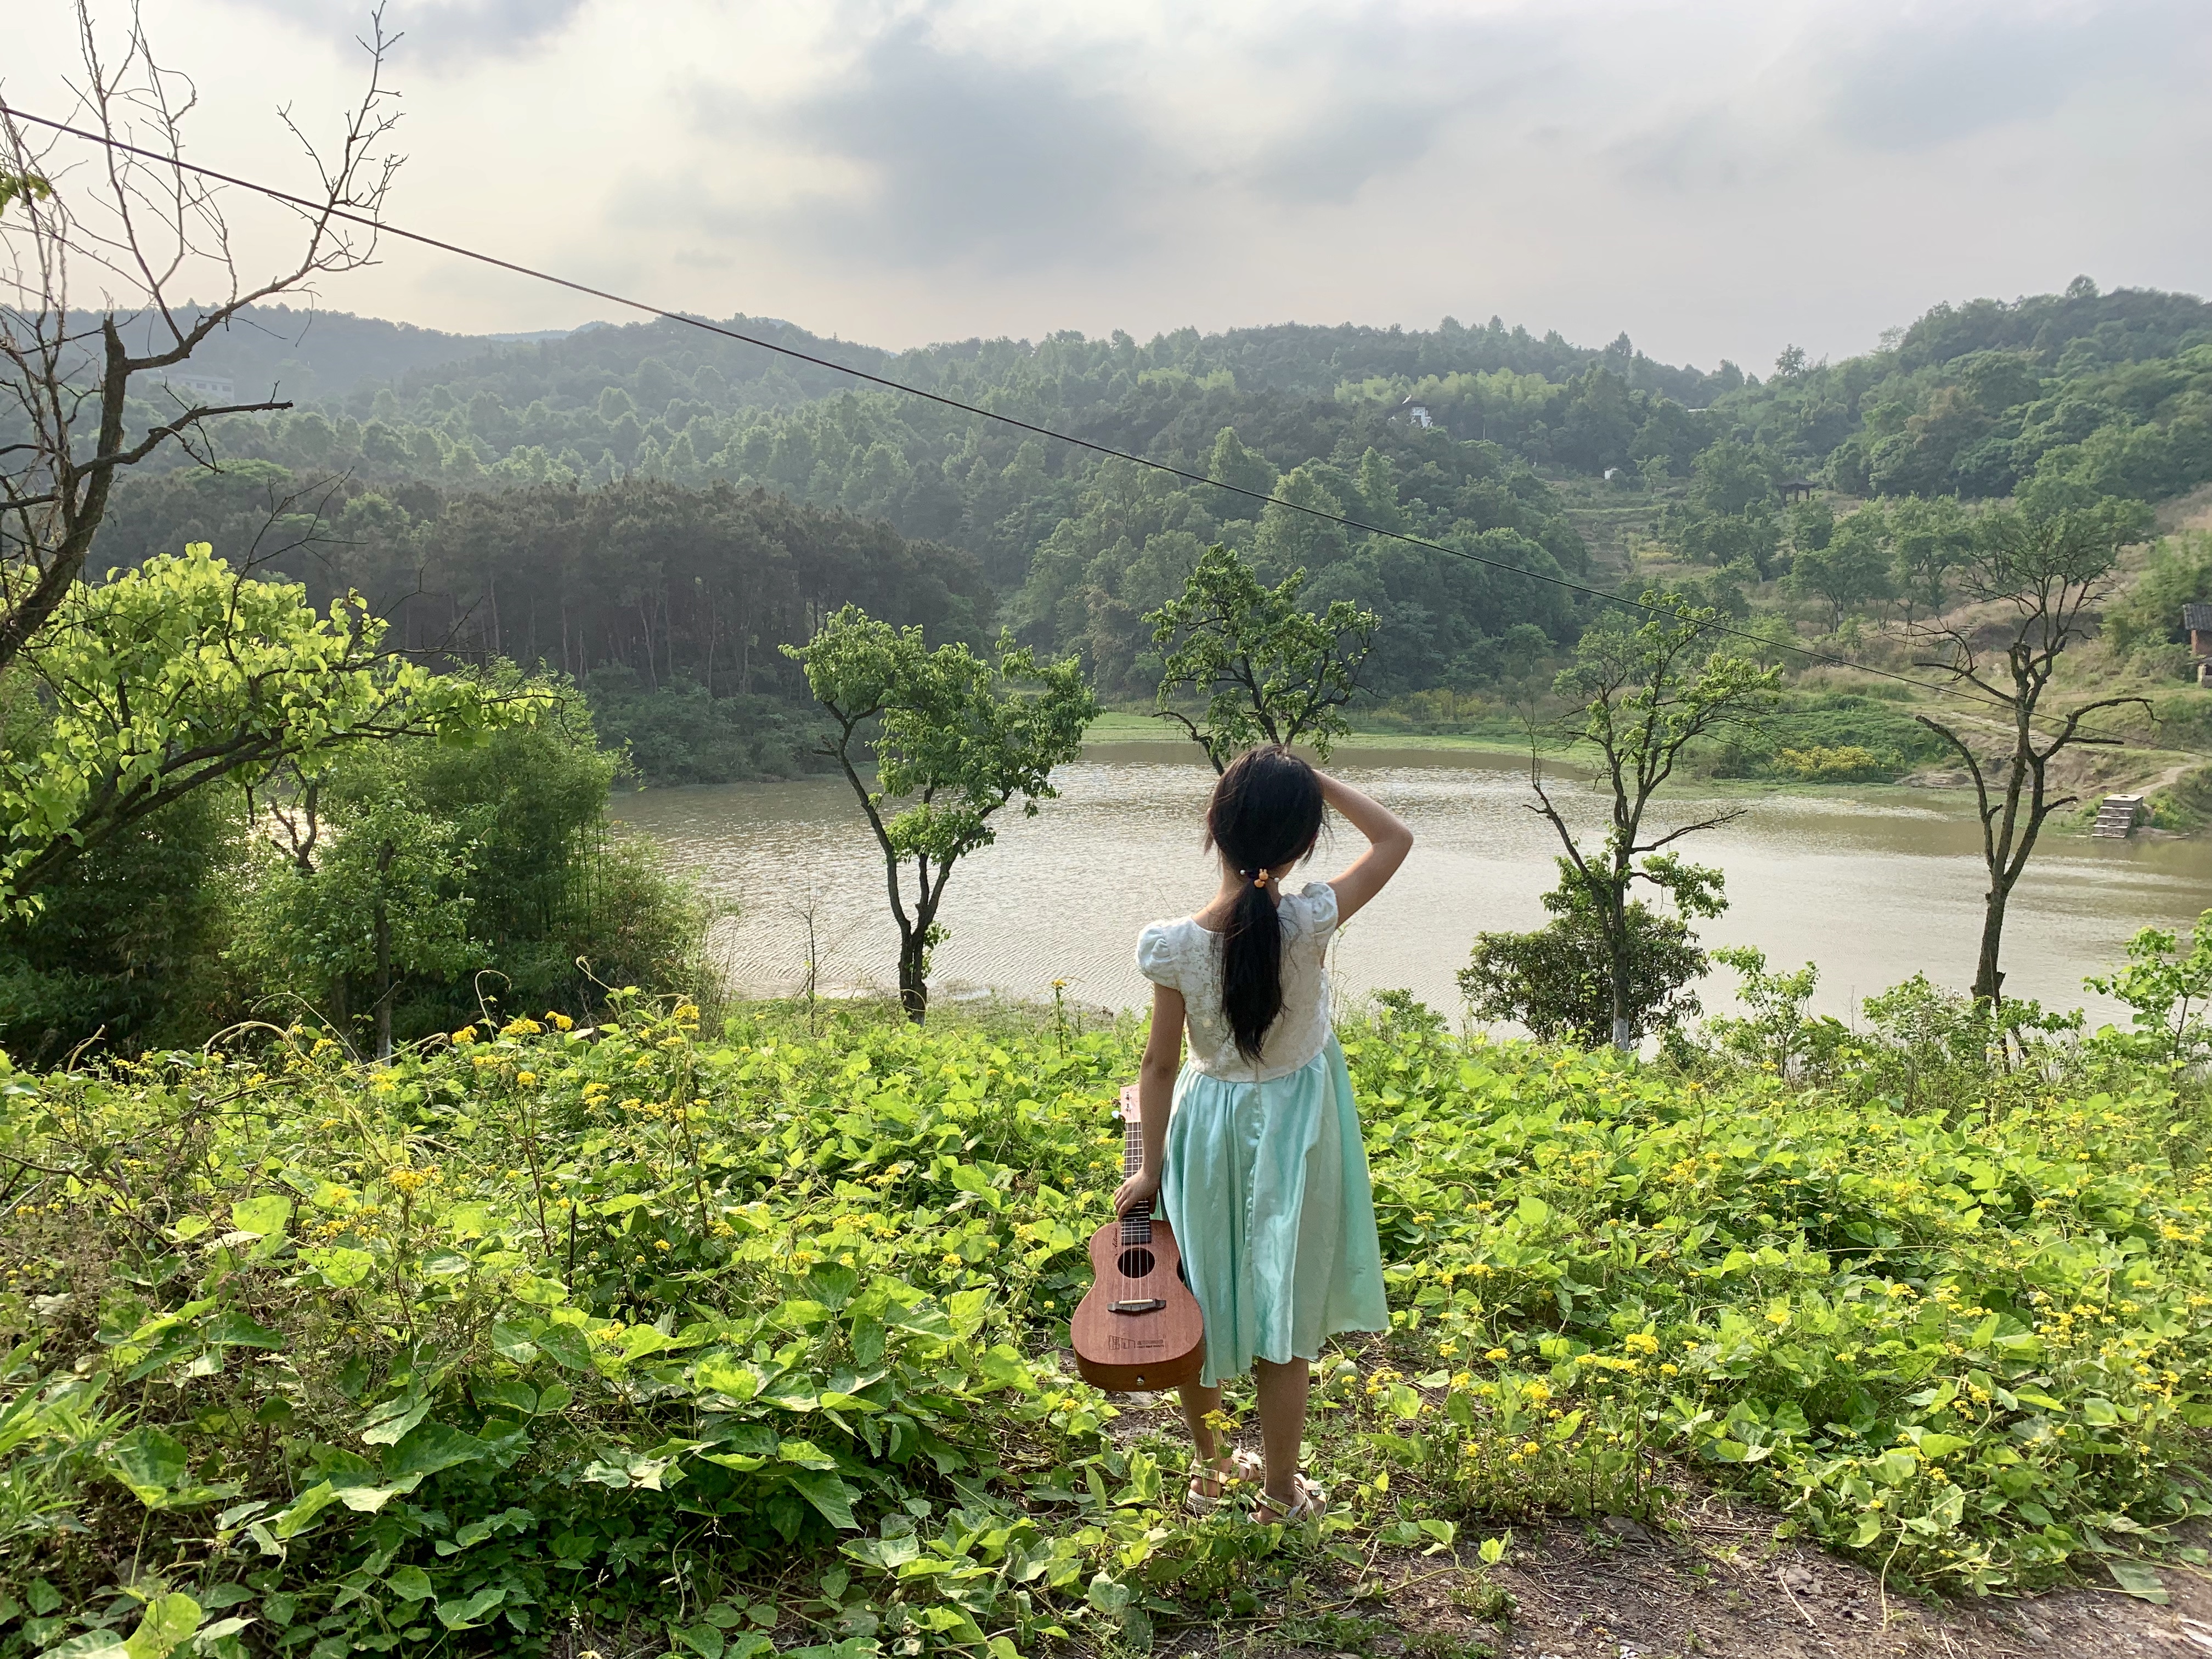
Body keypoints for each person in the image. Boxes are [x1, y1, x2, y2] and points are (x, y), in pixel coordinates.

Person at [1116, 746, 1414, 1522]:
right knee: (1287, 1306)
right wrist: (1312, 779)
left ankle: (1213, 1474)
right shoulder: (1313, 918)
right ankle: (1282, 1494)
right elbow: (1394, 840)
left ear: (1215, 826)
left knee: (1201, 1301)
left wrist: (1146, 1169)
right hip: (1299, 1132)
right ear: (1300, 845)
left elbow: (1156, 1063)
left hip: (1207, 1130)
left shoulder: (1174, 943)